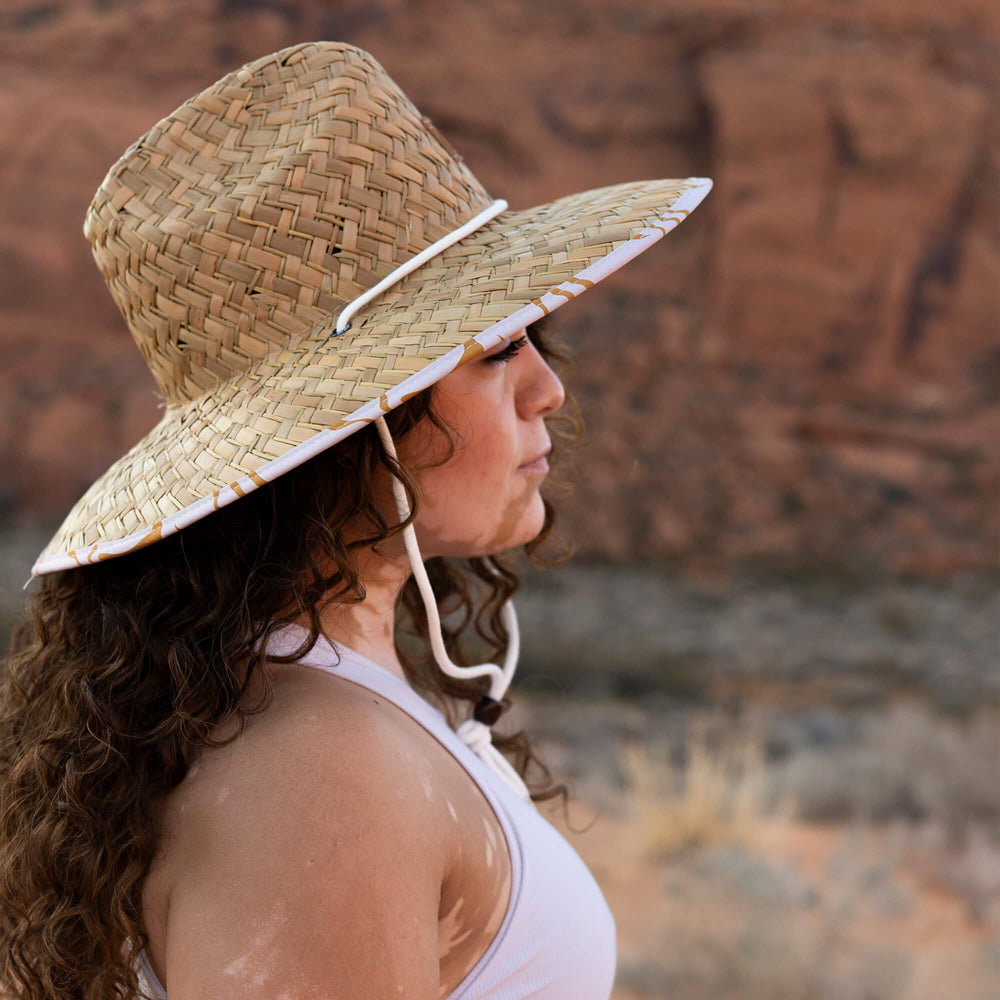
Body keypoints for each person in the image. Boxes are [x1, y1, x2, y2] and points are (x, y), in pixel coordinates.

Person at [0, 41, 710, 1000]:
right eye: (498, 348)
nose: (547, 387)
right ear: (367, 416)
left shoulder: (315, 709)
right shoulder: (323, 774)